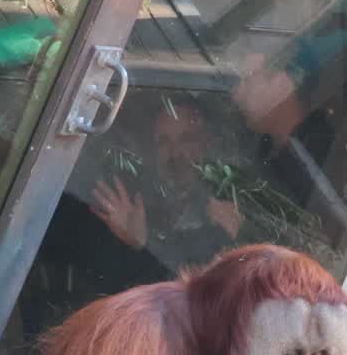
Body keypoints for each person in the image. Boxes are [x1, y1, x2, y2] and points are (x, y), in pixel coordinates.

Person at [88, 96, 243, 272]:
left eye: (186, 139)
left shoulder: (229, 203)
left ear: (207, 144)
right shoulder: (133, 201)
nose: (174, 152)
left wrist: (141, 243)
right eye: (163, 142)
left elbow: (193, 280)